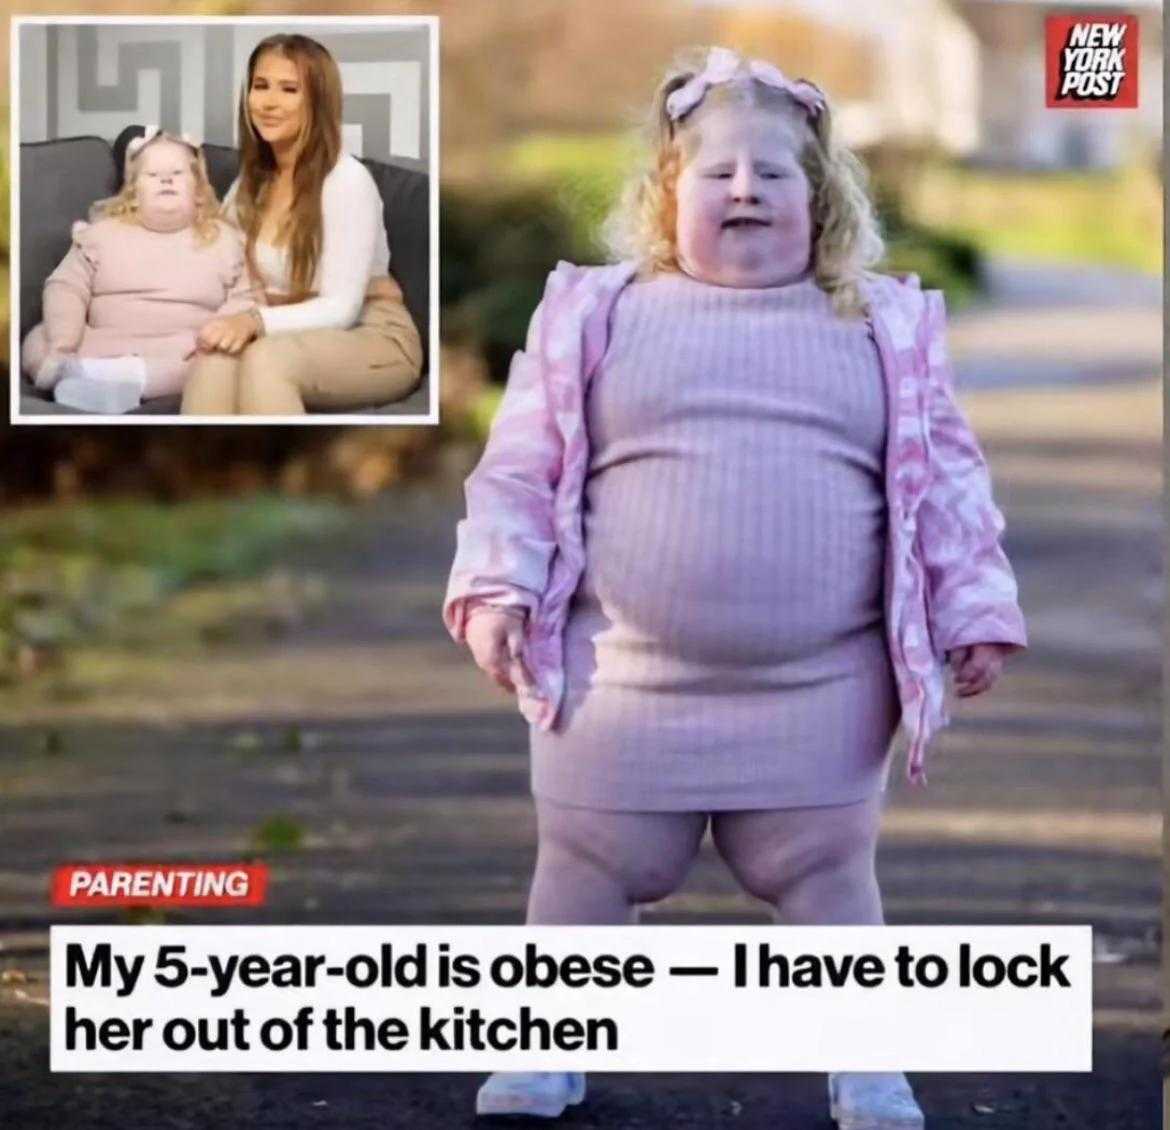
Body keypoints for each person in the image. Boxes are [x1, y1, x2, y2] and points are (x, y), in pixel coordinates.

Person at [444, 47, 1029, 1128]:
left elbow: (948, 477)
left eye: (776, 174)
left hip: (820, 680)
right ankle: (546, 1042)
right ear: (667, 196)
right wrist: (497, 587)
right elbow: (519, 469)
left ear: (824, 202)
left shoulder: (876, 326)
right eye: (718, 175)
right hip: (619, 674)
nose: (747, 189)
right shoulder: (597, 316)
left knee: (826, 876)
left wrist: (974, 602)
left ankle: (866, 1061)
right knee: (584, 865)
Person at [180, 33, 422, 416]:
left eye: (289, 89)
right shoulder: (252, 180)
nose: (269, 103)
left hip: (370, 333)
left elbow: (342, 307)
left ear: (318, 101)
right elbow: (216, 257)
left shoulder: (346, 181)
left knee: (266, 359)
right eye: (260, 86)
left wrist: (254, 319)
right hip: (292, 331)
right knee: (214, 360)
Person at [21, 129, 254, 414]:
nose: (166, 180)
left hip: (183, 347)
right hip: (101, 342)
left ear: (199, 190)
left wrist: (217, 331)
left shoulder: (225, 240)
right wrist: (63, 342)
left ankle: (118, 381)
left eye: (178, 174)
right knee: (36, 338)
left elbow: (247, 296)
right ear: (133, 191)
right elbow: (65, 286)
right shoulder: (100, 235)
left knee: (220, 364)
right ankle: (68, 373)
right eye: (153, 175)